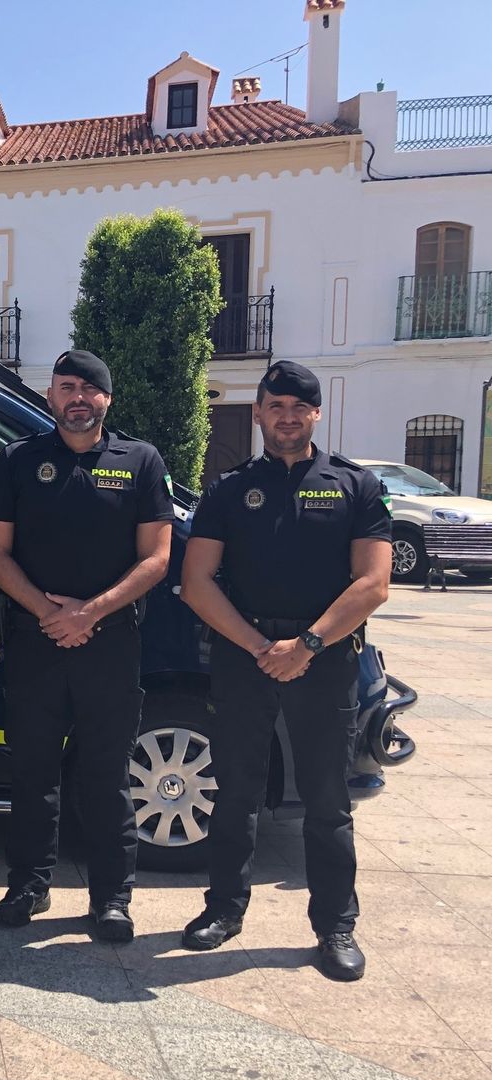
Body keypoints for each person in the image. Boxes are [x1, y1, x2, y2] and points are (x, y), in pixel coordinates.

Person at [179, 360, 391, 982]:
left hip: (324, 658)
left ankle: (335, 925)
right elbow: (197, 582)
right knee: (235, 792)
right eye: (276, 406)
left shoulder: (354, 486)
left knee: (327, 799)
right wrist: (258, 647)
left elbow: (373, 583)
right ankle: (224, 909)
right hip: (244, 656)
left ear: (316, 413)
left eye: (300, 407)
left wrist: (306, 645)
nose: (288, 417)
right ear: (259, 413)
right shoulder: (228, 489)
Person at [0, 349, 173, 943]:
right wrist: (48, 613)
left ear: (107, 399)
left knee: (106, 776)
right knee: (32, 773)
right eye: (67, 387)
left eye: (90, 389)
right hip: (35, 641)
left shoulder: (140, 461)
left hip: (109, 643)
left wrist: (88, 613)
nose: (78, 399)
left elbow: (157, 557)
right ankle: (29, 884)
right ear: (51, 397)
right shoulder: (18, 460)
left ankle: (111, 898)